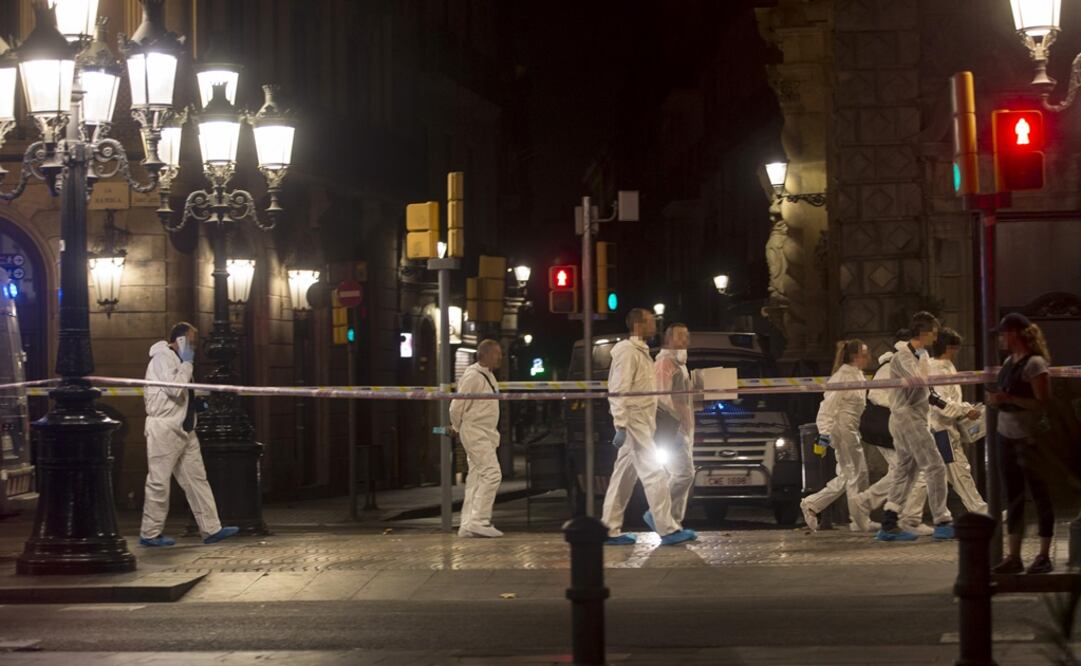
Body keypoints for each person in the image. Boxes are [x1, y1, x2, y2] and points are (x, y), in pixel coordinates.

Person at [602, 308, 696, 546]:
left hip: (641, 420)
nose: (655, 324)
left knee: (623, 476)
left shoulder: (639, 352)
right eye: (651, 321)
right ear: (638, 325)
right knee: (654, 473)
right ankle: (667, 529)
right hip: (635, 421)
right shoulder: (627, 352)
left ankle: (608, 528)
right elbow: (619, 388)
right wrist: (621, 423)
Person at [140, 323, 238, 547]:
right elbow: (173, 388)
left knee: (196, 479)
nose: (194, 345)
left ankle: (211, 528)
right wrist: (187, 363)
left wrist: (196, 402)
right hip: (165, 428)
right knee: (159, 481)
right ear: (180, 340)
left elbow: (180, 393)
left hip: (184, 427)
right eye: (191, 340)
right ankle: (150, 533)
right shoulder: (162, 358)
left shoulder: (177, 361)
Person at [899, 328, 987, 534]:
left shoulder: (937, 367)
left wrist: (964, 409)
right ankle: (982, 513)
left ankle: (909, 517)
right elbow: (939, 402)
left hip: (939, 428)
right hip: (942, 430)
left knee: (935, 473)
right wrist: (966, 410)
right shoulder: (939, 369)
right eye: (955, 348)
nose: (956, 352)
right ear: (949, 348)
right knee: (957, 472)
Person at [876, 312, 955, 542]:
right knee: (935, 466)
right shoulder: (904, 357)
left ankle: (889, 523)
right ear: (924, 332)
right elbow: (917, 383)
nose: (936, 337)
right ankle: (942, 520)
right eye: (934, 332)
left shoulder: (918, 355)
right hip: (908, 418)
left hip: (912, 417)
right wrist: (925, 364)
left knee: (905, 471)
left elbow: (924, 389)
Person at [988, 313, 1055, 575]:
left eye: (1004, 334)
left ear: (1015, 334)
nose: (1002, 339)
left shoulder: (1035, 364)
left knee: (1040, 494)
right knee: (1013, 496)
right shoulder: (1008, 362)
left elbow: (1042, 403)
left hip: (1029, 437)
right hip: (1006, 434)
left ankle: (1043, 554)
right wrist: (997, 400)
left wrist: (1010, 397)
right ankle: (1013, 555)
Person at [800, 340, 877, 532]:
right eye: (865, 354)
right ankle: (859, 520)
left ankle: (812, 504)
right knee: (854, 474)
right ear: (855, 356)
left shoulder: (856, 375)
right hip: (843, 429)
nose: (868, 358)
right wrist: (824, 434)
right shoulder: (842, 377)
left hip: (850, 429)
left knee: (849, 474)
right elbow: (827, 407)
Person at [449, 339, 505, 538]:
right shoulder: (473, 376)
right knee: (492, 474)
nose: (500, 357)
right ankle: (479, 520)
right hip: (475, 431)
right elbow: (457, 405)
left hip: (484, 432)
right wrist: (456, 426)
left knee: (476, 477)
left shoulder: (487, 375)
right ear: (486, 354)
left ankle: (467, 524)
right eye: (497, 353)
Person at [654, 323, 695, 524]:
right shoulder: (665, 363)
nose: (684, 339)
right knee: (683, 474)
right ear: (669, 339)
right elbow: (663, 398)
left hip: (682, 426)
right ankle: (660, 515)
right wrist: (675, 428)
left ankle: (673, 522)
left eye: (686, 335)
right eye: (680, 336)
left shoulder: (680, 363)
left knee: (679, 474)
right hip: (673, 428)